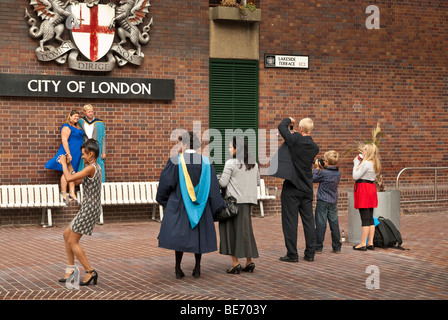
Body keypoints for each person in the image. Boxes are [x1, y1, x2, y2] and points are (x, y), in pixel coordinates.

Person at [156, 131, 225, 279]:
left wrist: (164, 201)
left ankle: (178, 268)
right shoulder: (206, 163)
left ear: (185, 144)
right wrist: (215, 208)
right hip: (201, 206)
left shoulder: (176, 161)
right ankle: (197, 268)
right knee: (198, 236)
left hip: (180, 204)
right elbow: (214, 189)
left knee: (180, 236)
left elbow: (166, 184)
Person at [274, 117, 319, 262]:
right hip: (307, 187)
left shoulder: (295, 140)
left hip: (292, 187)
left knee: (290, 222)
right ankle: (310, 253)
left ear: (300, 129)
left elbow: (282, 127)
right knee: (308, 221)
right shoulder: (314, 147)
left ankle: (292, 254)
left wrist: (289, 120)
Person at [58, 139, 102, 286]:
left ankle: (90, 271)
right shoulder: (92, 167)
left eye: (83, 154)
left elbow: (69, 178)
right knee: (66, 234)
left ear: (91, 154)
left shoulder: (91, 168)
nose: (82, 157)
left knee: (72, 241)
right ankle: (71, 270)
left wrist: (64, 163)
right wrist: (69, 165)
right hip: (88, 208)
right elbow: (75, 181)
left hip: (90, 209)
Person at [218, 137, 260, 274]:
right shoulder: (254, 163)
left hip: (233, 203)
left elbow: (223, 183)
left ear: (237, 148)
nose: (229, 149)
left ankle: (235, 263)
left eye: (231, 147)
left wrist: (217, 178)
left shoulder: (231, 163)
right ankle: (249, 261)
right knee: (245, 232)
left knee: (231, 232)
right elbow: (258, 182)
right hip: (248, 202)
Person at [45, 110, 84, 202]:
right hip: (69, 152)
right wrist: (68, 154)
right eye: (74, 116)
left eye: (78, 117)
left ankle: (72, 192)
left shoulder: (78, 127)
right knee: (66, 171)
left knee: (72, 172)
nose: (76, 118)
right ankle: (63, 193)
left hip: (77, 153)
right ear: (69, 117)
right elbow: (64, 140)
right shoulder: (66, 127)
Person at [352, 143, 381, 251]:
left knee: (364, 217)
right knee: (370, 217)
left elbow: (355, 176)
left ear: (368, 152)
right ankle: (370, 242)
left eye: (364, 150)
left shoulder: (366, 164)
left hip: (363, 189)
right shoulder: (375, 163)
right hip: (371, 188)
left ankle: (363, 243)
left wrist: (356, 163)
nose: (362, 152)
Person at [313, 150, 342, 254]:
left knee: (321, 225)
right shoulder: (338, 173)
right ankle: (337, 247)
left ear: (326, 161)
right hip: (333, 201)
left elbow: (313, 179)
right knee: (334, 225)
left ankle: (318, 247)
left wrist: (317, 169)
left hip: (322, 201)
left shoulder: (324, 172)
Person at [78, 104, 107, 182]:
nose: (91, 113)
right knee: (85, 164)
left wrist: (103, 152)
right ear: (84, 112)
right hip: (86, 147)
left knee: (98, 164)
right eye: (89, 112)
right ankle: (84, 183)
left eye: (92, 111)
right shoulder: (81, 121)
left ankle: (100, 183)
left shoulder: (99, 123)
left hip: (96, 147)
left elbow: (104, 138)